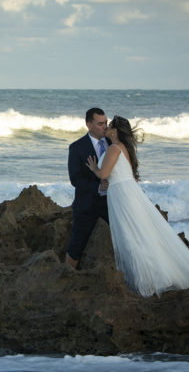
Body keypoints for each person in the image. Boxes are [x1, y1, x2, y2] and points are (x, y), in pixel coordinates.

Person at [86, 115, 189, 307]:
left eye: (110, 125)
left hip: (123, 195)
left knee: (131, 237)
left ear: (116, 131)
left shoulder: (114, 148)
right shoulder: (123, 149)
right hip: (126, 193)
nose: (106, 127)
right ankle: (151, 277)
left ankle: (146, 282)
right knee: (140, 235)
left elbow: (104, 174)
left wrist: (94, 168)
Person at [66, 108, 110, 270]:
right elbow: (75, 178)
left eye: (106, 122)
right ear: (88, 124)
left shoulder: (113, 143)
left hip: (113, 202)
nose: (104, 126)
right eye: (100, 123)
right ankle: (68, 278)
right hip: (87, 204)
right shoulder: (77, 147)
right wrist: (97, 187)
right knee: (76, 246)